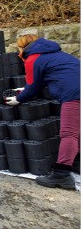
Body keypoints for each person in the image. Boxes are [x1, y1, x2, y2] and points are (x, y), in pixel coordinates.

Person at [5, 34, 80, 190]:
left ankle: (62, 175)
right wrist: (25, 90)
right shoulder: (57, 54)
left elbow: (33, 86)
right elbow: (45, 79)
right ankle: (75, 161)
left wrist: (19, 99)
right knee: (76, 131)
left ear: (22, 48)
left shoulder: (33, 59)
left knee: (69, 134)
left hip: (75, 95)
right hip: (76, 89)